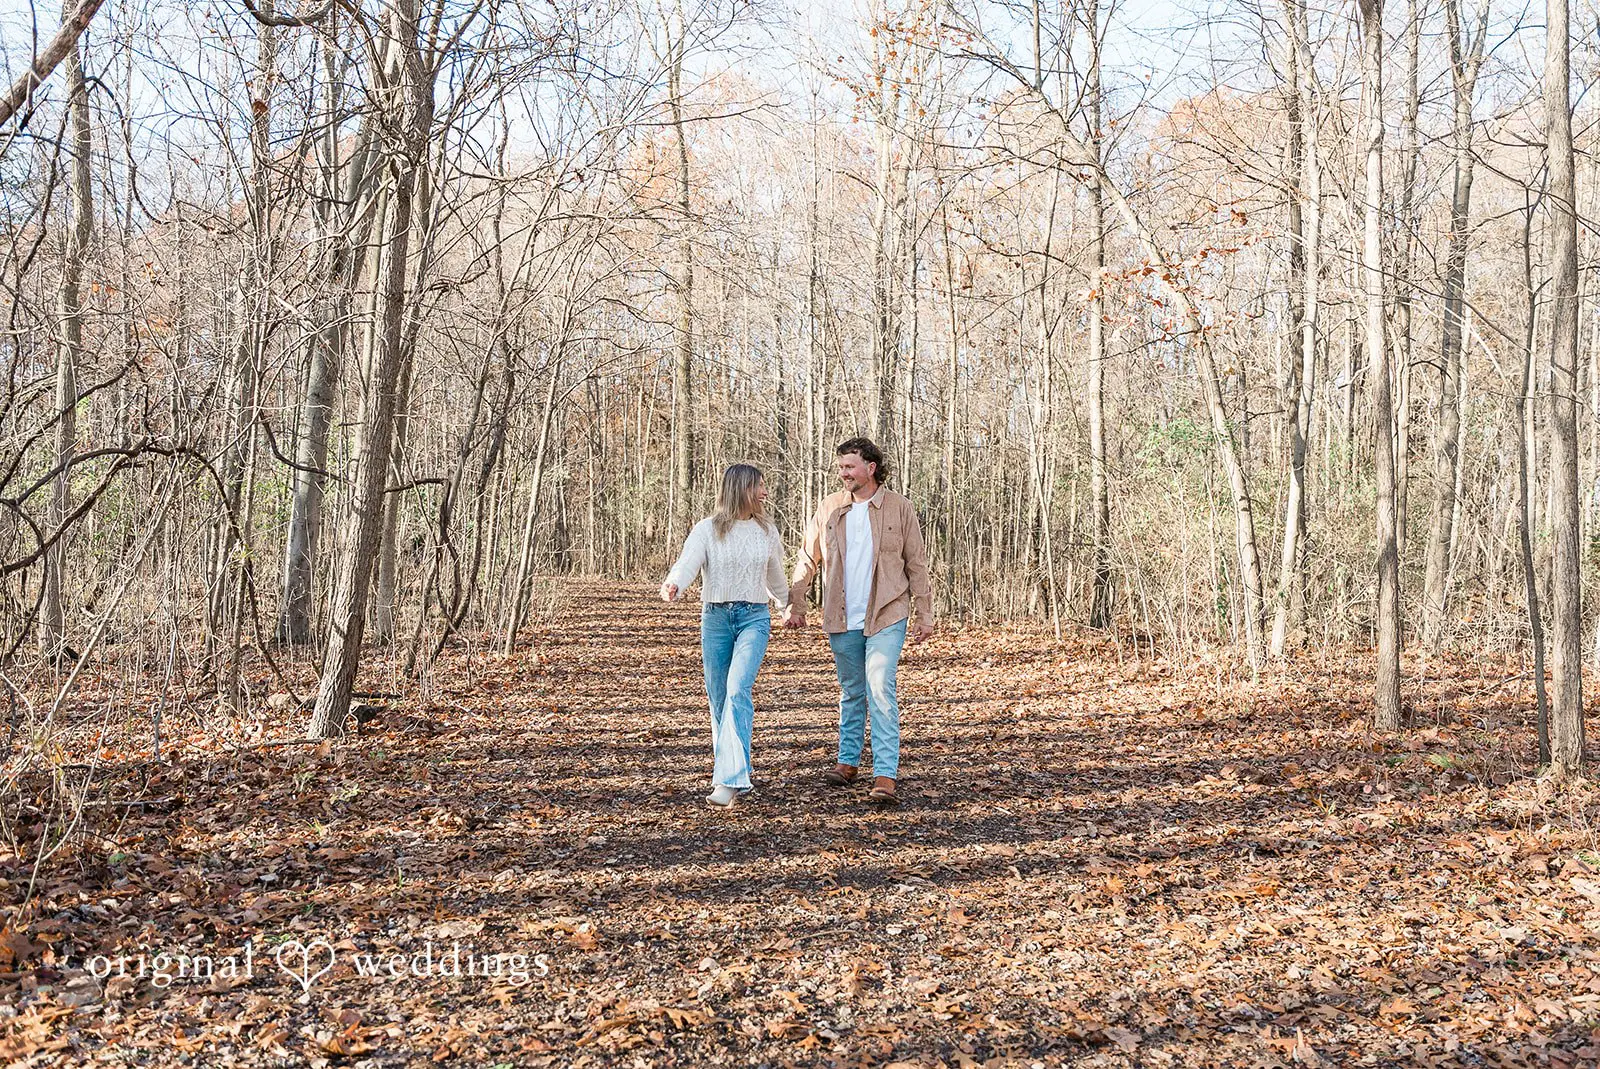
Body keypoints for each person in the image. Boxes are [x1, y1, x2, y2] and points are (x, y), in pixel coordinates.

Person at [785, 437, 934, 805]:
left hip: (888, 610)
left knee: (880, 686)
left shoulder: (899, 507)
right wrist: (797, 602)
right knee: (852, 691)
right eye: (841, 468)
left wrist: (924, 612)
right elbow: (808, 556)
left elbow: (916, 563)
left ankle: (885, 775)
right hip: (841, 614)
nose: (843, 474)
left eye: (850, 467)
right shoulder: (830, 508)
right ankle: (848, 761)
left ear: (871, 468)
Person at [661, 464, 790, 807]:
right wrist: (675, 582)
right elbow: (688, 561)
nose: (765, 492)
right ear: (742, 489)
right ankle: (733, 774)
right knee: (719, 699)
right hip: (715, 619)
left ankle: (728, 780)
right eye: (760, 486)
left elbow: (775, 575)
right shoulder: (708, 529)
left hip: (754, 618)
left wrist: (786, 605)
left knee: (737, 691)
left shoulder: (766, 531)